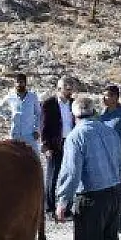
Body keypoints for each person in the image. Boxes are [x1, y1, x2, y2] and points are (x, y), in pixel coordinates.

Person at [55, 94, 121, 240]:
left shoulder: (76, 136)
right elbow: (120, 163)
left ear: (73, 115)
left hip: (91, 198)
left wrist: (62, 201)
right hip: (113, 193)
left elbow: (71, 172)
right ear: (93, 112)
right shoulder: (109, 131)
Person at [99, 84, 121, 231]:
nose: (104, 98)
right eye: (104, 95)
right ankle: (108, 219)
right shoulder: (102, 114)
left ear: (115, 97)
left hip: (119, 158)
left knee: (120, 189)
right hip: (104, 158)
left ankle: (120, 219)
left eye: (107, 95)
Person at [40, 76, 77, 216]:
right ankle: (49, 207)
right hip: (55, 143)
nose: (69, 89)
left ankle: (66, 208)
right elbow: (43, 126)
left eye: (71, 86)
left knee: (70, 175)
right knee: (52, 176)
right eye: (66, 86)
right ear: (59, 88)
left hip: (71, 143)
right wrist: (45, 146)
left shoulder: (74, 103)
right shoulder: (49, 103)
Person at [0, 72, 41, 150]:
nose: (19, 84)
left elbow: (38, 113)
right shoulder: (11, 96)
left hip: (30, 134)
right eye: (17, 82)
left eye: (21, 82)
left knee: (34, 156)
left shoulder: (32, 96)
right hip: (15, 133)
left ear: (25, 83)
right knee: (15, 157)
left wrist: (36, 130)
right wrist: (7, 116)